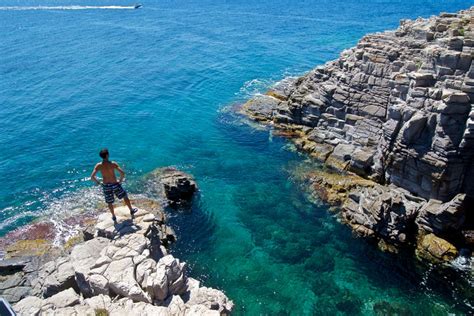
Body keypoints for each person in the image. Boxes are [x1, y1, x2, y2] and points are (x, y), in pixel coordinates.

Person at [90, 148, 137, 222]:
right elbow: (122, 173)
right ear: (107, 155)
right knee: (124, 196)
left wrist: (99, 183)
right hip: (115, 184)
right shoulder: (113, 164)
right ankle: (131, 210)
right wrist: (120, 181)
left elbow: (92, 177)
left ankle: (114, 216)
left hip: (106, 185)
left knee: (109, 202)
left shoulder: (98, 165)